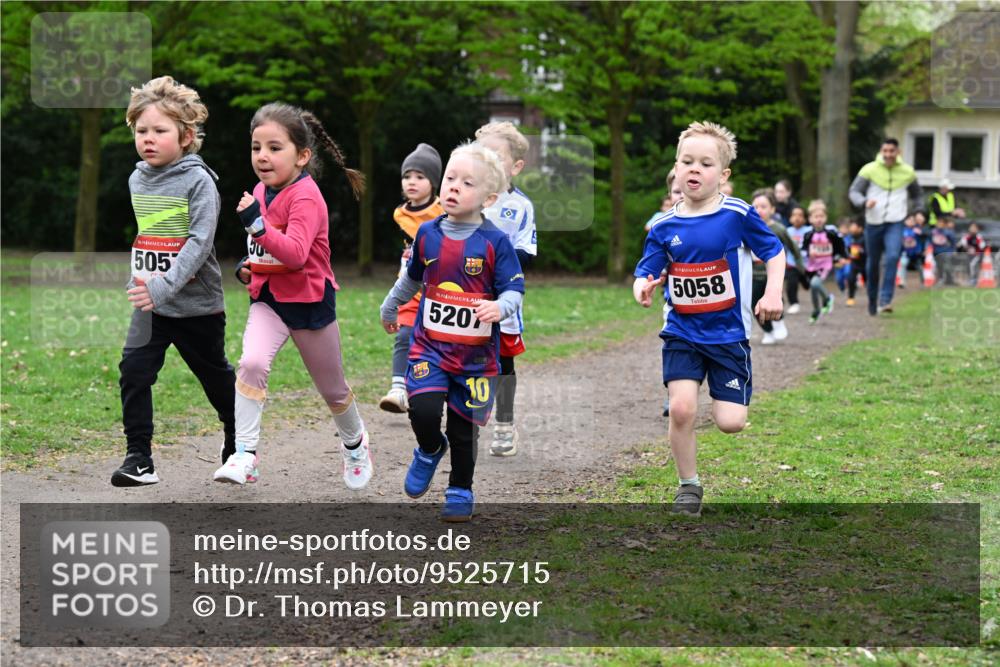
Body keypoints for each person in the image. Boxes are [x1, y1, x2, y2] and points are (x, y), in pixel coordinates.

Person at [214, 103, 372, 490]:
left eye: (274, 147)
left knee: (332, 389)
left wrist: (255, 224)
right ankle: (245, 454)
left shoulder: (306, 197)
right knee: (250, 363)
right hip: (269, 299)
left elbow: (297, 254)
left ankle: (355, 444)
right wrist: (245, 264)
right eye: (256, 148)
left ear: (302, 156)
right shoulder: (259, 192)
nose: (262, 156)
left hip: (309, 302)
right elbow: (262, 246)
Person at [633, 121, 784, 517]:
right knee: (682, 408)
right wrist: (642, 287)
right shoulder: (663, 225)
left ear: (723, 174)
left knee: (731, 422)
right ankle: (688, 487)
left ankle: (731, 399)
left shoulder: (737, 214)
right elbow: (646, 270)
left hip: (728, 334)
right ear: (676, 168)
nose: (694, 169)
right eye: (687, 161)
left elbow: (775, 251)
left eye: (705, 163)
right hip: (682, 331)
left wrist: (772, 292)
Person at [380, 142, 524, 521]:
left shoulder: (495, 242)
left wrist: (500, 306)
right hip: (430, 348)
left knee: (464, 430)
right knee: (424, 411)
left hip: (475, 358)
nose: (454, 187)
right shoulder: (427, 234)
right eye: (450, 179)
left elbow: (514, 288)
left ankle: (460, 488)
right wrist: (390, 304)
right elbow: (412, 279)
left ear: (488, 197)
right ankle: (429, 448)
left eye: (467, 183)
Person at [111, 76, 236, 487]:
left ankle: (239, 439)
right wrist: (143, 279)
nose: (148, 139)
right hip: (151, 303)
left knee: (214, 376)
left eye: (159, 131)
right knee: (134, 370)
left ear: (185, 136)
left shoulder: (199, 181)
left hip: (196, 304)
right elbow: (151, 235)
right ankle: (140, 458)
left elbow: (199, 243)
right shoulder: (137, 179)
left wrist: (163, 285)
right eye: (141, 131)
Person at [476, 122, 535, 457]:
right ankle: (466, 418)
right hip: (463, 298)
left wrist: (497, 268)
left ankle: (504, 424)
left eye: (495, 156)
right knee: (464, 357)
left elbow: (526, 252)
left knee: (502, 362)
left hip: (501, 300)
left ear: (515, 166)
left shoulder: (521, 206)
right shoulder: (464, 193)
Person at [379, 143, 445, 414]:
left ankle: (435, 387)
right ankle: (398, 389)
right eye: (407, 176)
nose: (412, 182)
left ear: (434, 182)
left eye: (420, 177)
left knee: (436, 343)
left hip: (439, 290)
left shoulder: (444, 211)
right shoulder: (400, 213)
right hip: (408, 287)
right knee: (404, 334)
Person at [848, 137, 925, 315]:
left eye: (892, 151)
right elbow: (854, 191)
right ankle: (872, 301)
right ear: (881, 152)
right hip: (873, 222)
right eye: (885, 151)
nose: (888, 155)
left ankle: (885, 299)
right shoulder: (869, 169)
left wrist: (919, 211)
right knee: (873, 263)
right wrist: (864, 202)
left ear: (898, 152)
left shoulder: (907, 172)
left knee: (892, 257)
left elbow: (918, 195)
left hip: (896, 221)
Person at [750, 188, 802, 344]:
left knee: (775, 299)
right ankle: (768, 331)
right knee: (754, 305)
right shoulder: (747, 228)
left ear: (772, 209)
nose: (759, 210)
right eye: (755, 207)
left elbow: (793, 248)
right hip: (754, 275)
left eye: (763, 206)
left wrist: (802, 269)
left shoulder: (778, 229)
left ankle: (779, 321)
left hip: (773, 274)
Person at [801, 200, 845, 323]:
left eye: (821, 216)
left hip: (826, 264)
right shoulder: (807, 233)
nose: (819, 219)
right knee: (813, 288)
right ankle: (816, 310)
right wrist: (809, 254)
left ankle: (827, 298)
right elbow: (802, 249)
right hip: (811, 265)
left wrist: (840, 256)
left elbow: (840, 244)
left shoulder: (831, 230)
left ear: (825, 218)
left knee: (815, 283)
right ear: (810, 219)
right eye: (816, 216)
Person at [784, 205, 809, 314]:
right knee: (791, 284)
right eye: (794, 215)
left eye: (800, 215)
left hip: (806, 264)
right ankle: (794, 303)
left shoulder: (809, 230)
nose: (797, 218)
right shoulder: (787, 231)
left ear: (805, 219)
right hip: (791, 263)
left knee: (808, 284)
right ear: (790, 218)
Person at [843, 219, 867, 307]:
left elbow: (868, 251)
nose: (851, 228)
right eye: (851, 226)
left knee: (867, 280)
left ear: (860, 228)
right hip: (854, 263)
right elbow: (847, 248)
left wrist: (860, 251)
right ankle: (850, 298)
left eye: (854, 226)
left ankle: (872, 297)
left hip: (864, 263)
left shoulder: (865, 238)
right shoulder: (850, 237)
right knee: (851, 279)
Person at [899, 214, 926, 288]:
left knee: (919, 267)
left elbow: (926, 235)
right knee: (903, 264)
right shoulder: (902, 230)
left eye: (912, 220)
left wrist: (921, 233)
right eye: (909, 220)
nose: (911, 222)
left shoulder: (917, 229)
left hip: (916, 252)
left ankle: (922, 282)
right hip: (906, 252)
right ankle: (902, 282)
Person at [929, 217, 958, 285]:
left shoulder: (948, 232)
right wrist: (929, 248)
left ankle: (950, 280)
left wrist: (952, 250)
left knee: (947, 265)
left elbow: (953, 242)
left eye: (941, 223)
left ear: (944, 224)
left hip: (945, 252)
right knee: (939, 266)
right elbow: (930, 241)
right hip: (936, 252)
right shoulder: (933, 232)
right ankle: (941, 279)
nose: (940, 224)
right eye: (938, 223)